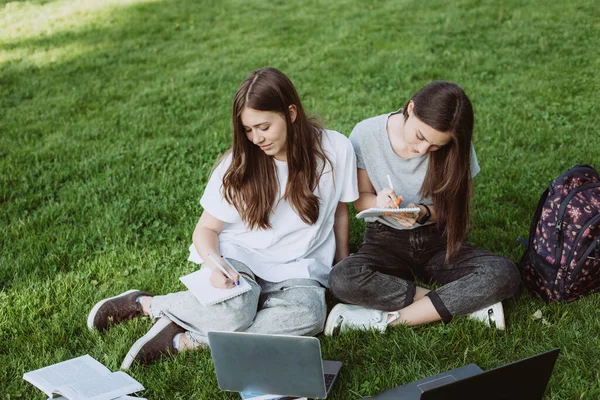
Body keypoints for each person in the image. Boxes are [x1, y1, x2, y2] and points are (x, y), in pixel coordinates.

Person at [87, 67, 358, 369]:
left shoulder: (336, 148)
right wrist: (216, 266)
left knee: (309, 318)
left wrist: (341, 266)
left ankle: (185, 338)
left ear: (291, 113)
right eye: (248, 130)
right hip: (242, 257)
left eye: (263, 127)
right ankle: (147, 304)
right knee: (235, 312)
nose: (256, 138)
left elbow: (340, 210)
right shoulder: (239, 165)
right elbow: (205, 230)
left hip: (301, 268)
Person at [324, 81, 521, 335]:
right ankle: (459, 303)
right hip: (384, 241)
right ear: (411, 108)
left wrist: (424, 212)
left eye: (436, 146)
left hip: (438, 241)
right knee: (341, 278)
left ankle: (389, 320)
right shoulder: (366, 133)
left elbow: (457, 207)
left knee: (505, 273)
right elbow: (361, 198)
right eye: (420, 137)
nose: (423, 149)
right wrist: (379, 202)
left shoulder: (456, 144)